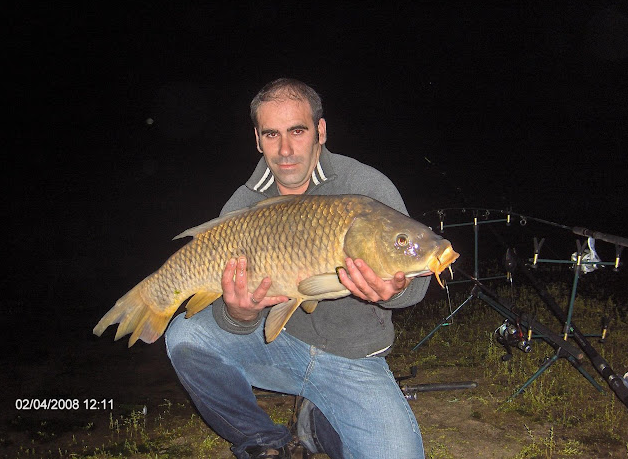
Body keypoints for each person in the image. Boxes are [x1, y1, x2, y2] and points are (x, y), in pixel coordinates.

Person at [165, 78, 430, 459]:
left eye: (297, 131)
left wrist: (398, 290)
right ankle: (263, 440)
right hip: (279, 347)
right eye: (271, 134)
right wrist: (239, 313)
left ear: (320, 131)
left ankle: (320, 424)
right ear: (257, 139)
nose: (285, 149)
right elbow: (231, 316)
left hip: (351, 361)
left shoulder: (365, 188)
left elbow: (415, 281)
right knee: (185, 336)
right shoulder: (243, 204)